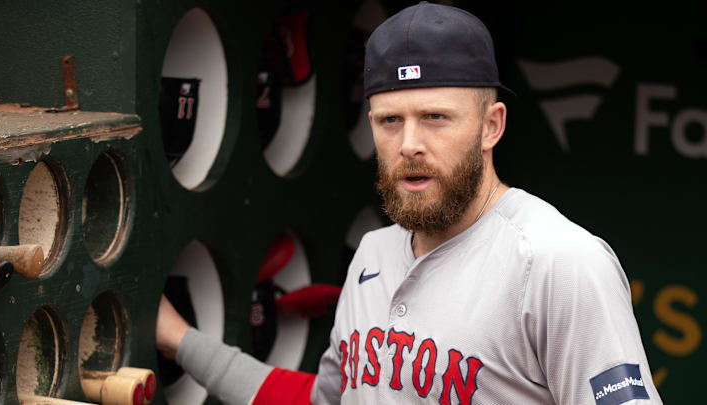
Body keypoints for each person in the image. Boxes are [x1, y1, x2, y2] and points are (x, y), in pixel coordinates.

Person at [156, 2, 663, 404]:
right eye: (390, 120)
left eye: (436, 117)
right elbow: (321, 401)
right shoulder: (372, 256)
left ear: (492, 126)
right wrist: (181, 339)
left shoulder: (559, 262)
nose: (409, 144)